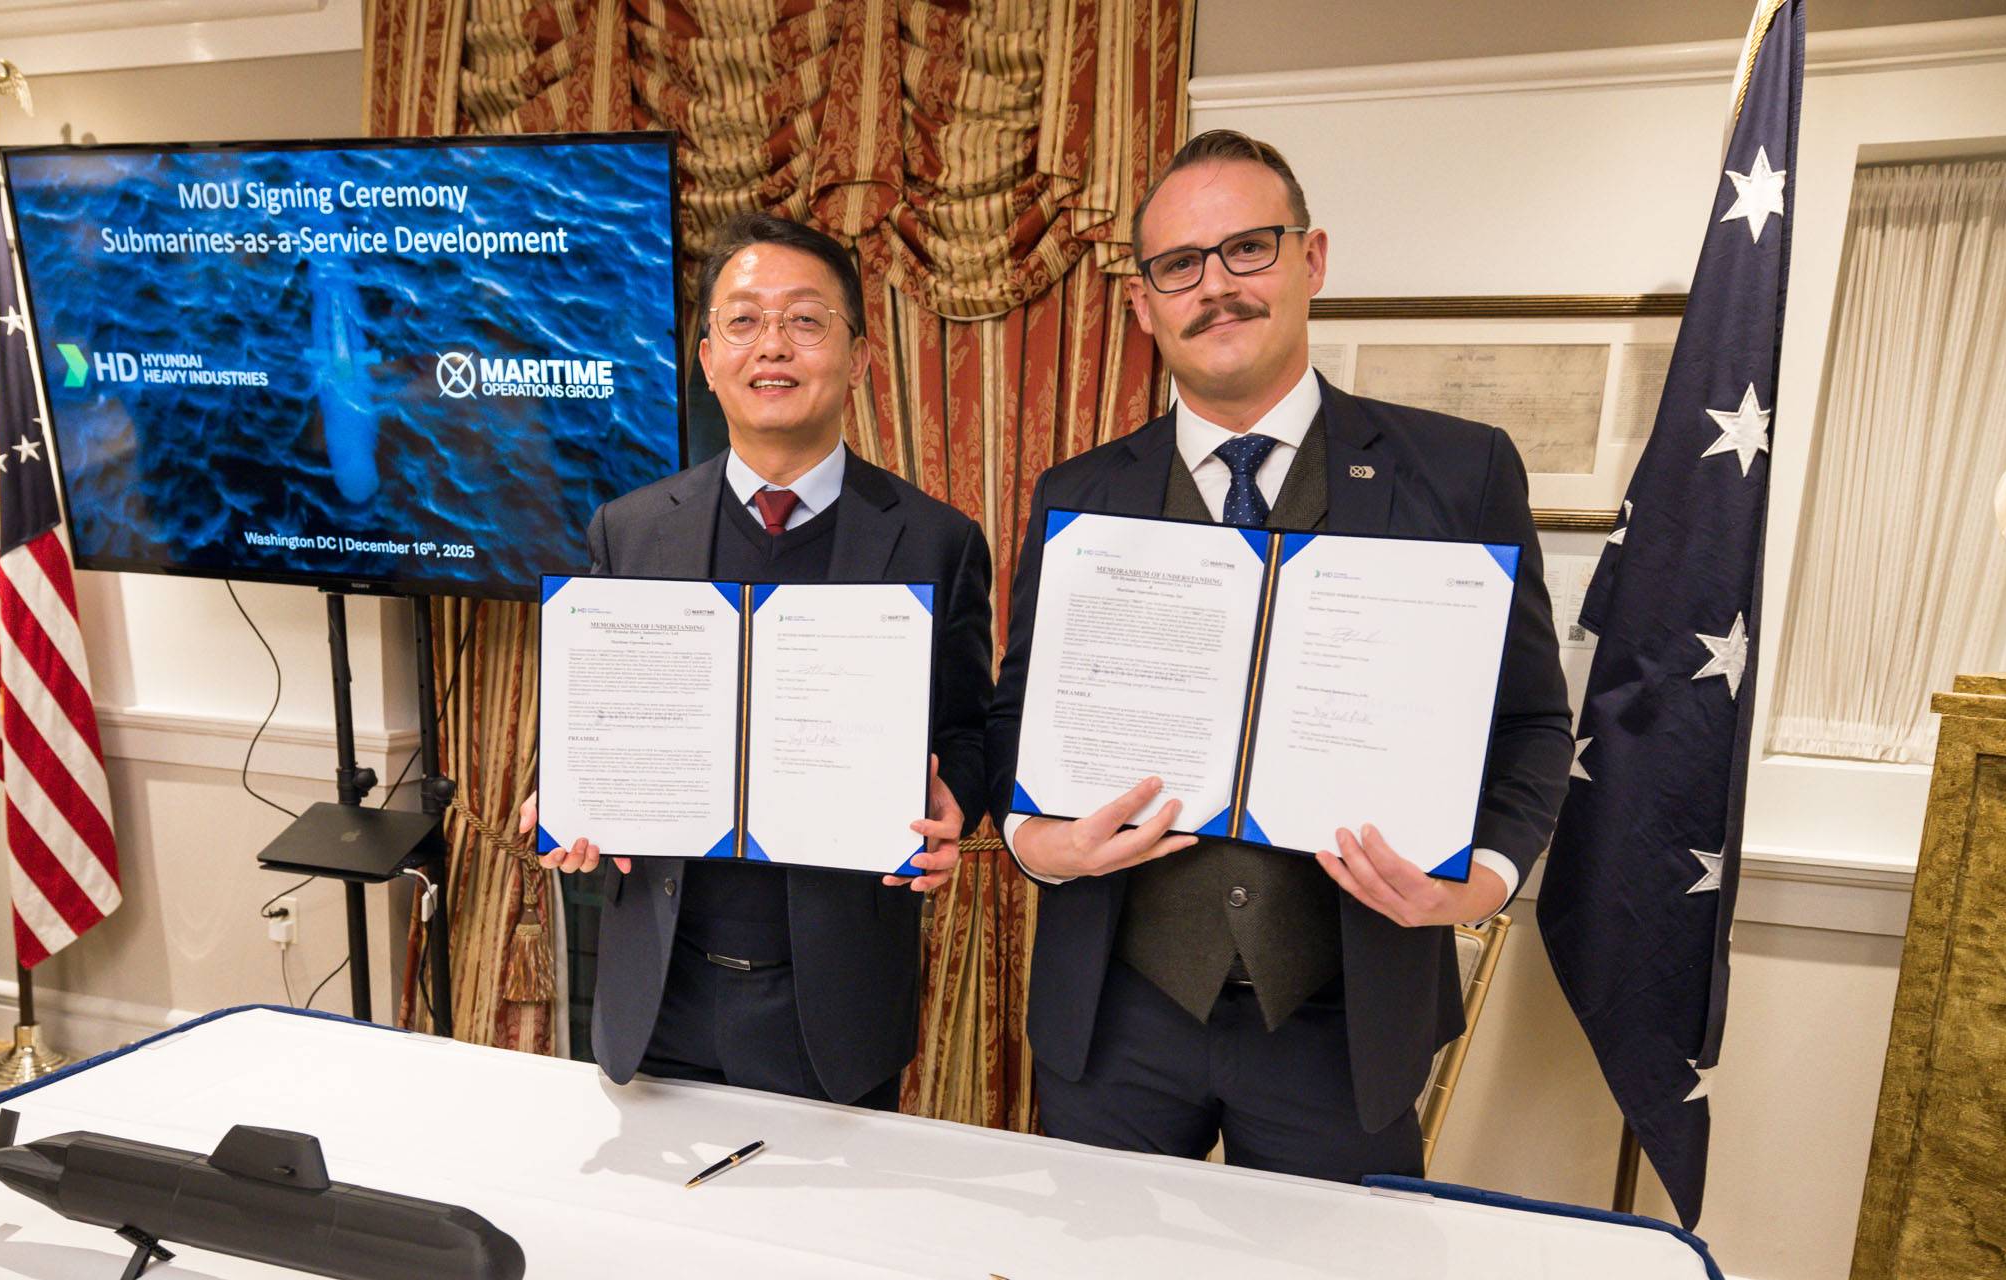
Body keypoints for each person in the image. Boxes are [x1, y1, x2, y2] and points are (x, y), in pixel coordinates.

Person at [986, 131, 1572, 1181]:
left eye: (1247, 248)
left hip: (1345, 1023)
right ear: (1143, 303)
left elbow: (1531, 722)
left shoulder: (1459, 472)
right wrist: (1037, 843)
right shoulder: (1078, 493)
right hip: (1115, 1014)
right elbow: (1014, 712)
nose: (1215, 285)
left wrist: (1480, 882)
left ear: (1313, 259)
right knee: (1089, 1273)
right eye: (1180, 264)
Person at [518, 212, 993, 1109]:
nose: (772, 345)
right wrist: (564, 800)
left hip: (835, 1007)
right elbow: (592, 723)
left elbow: (969, 728)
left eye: (806, 320)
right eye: (743, 321)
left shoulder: (938, 541)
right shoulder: (628, 530)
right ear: (707, 359)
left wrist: (954, 804)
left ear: (858, 357)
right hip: (660, 994)